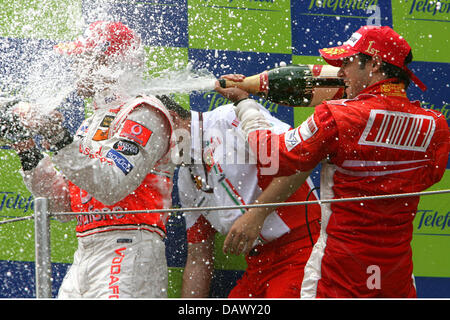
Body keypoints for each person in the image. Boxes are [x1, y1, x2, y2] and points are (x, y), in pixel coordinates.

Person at [215, 25, 450, 298]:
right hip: (394, 277)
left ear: (373, 64)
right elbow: (429, 175)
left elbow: (275, 155)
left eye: (347, 62)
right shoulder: (435, 125)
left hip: (338, 276)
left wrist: (245, 104)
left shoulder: (338, 118)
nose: (340, 72)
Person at [8, 21, 191, 299]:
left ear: (110, 62)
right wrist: (27, 149)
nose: (74, 67)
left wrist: (58, 139)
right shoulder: (91, 123)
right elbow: (64, 207)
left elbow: (111, 186)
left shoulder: (144, 112)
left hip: (129, 246)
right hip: (85, 251)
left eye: (82, 59)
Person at [178, 102, 321, 298]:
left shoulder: (227, 117)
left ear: (170, 118)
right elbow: (198, 257)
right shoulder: (186, 178)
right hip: (257, 265)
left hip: (301, 249)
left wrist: (256, 214)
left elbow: (301, 155)